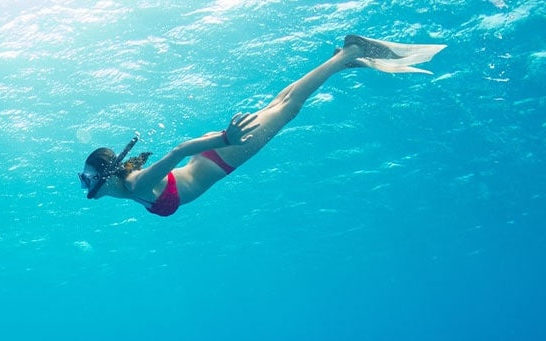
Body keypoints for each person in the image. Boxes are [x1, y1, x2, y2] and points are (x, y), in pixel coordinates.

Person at [79, 35, 446, 217]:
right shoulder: (130, 186)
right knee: (279, 105)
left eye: (87, 178)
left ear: (106, 175)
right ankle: (339, 61)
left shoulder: (136, 183)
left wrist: (225, 137)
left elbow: (176, 153)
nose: (88, 187)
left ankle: (348, 53)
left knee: (288, 109)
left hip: (222, 155)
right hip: (214, 153)